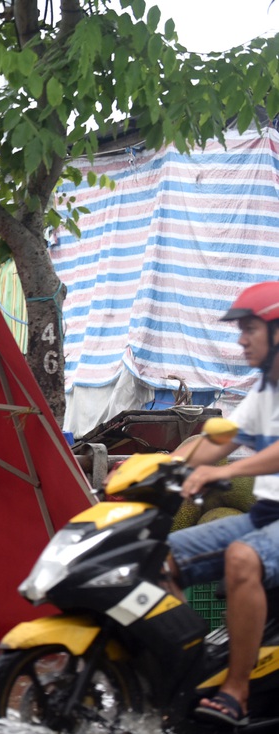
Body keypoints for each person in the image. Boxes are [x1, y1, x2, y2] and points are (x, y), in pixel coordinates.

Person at [167, 281, 279, 728]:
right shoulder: (263, 392)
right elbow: (218, 441)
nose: (241, 339)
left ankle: (236, 689)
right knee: (159, 558)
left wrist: (225, 472)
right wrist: (158, 468)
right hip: (263, 516)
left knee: (241, 558)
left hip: (266, 527)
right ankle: (191, 670)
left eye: (250, 328)